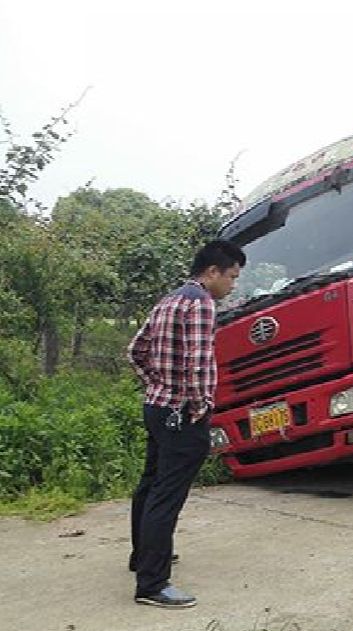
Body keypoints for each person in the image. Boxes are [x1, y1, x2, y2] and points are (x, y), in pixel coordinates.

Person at [127, 239, 245, 608]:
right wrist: (198, 404)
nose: (233, 285)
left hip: (157, 408)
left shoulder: (168, 300)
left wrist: (156, 386)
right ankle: (152, 584)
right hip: (182, 414)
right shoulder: (200, 303)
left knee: (150, 485)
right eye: (231, 276)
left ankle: (143, 557)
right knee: (167, 494)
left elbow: (135, 351)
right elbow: (197, 362)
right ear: (211, 272)